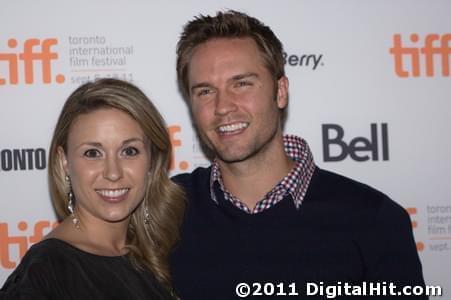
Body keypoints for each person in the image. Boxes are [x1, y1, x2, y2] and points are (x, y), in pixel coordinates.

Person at [170, 10, 427, 299]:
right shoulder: (165, 211)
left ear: (280, 91)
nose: (222, 106)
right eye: (205, 91)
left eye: (241, 84)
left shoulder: (374, 220)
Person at [0, 78, 184, 299]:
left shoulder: (161, 248)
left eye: (129, 151)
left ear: (152, 159)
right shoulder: (47, 272)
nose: (113, 173)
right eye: (92, 153)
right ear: (64, 162)